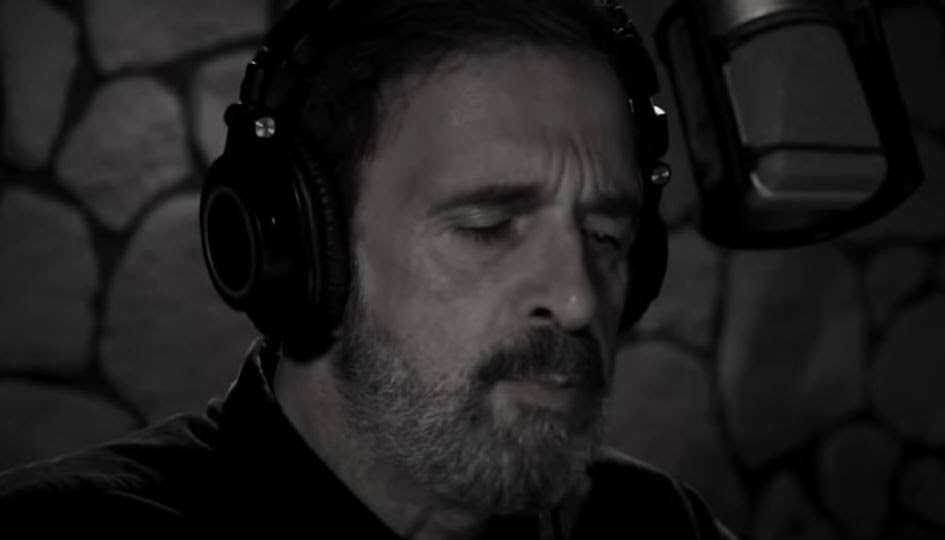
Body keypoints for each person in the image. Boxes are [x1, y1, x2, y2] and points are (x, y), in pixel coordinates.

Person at [0, 0, 736, 537]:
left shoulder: (656, 524)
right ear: (301, 249)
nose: (578, 299)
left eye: (606, 235)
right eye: (487, 226)